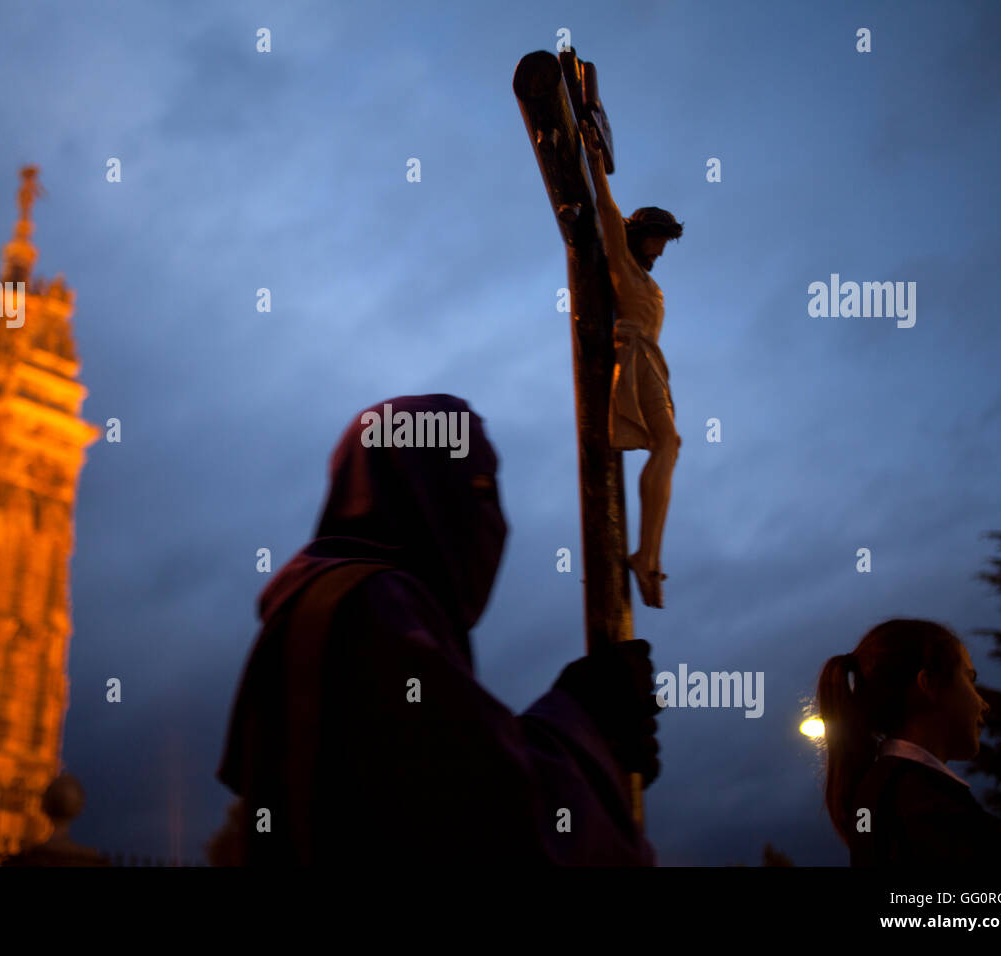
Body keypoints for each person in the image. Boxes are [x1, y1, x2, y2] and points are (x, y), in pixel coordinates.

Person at [214, 394, 661, 865]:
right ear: (423, 486)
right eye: (480, 487)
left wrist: (591, 750)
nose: (498, 521)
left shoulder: (319, 610)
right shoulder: (368, 608)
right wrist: (588, 725)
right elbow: (484, 829)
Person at [816, 618, 1001, 866]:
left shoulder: (894, 794)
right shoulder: (927, 810)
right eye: (970, 680)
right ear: (929, 685)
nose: (984, 704)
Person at [580, 120, 683, 609]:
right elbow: (607, 209)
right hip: (635, 355)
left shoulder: (648, 279)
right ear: (642, 234)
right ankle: (646, 555)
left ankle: (649, 553)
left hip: (652, 361)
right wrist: (596, 163)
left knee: (671, 443)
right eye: (659, 238)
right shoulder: (622, 260)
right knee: (668, 441)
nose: (662, 247)